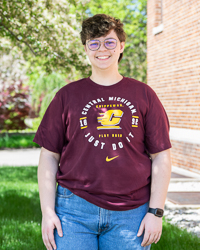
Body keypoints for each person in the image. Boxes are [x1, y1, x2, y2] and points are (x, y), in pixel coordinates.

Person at [33, 14, 172, 250]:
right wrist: (48, 212)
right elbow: (48, 155)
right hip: (74, 210)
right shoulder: (67, 96)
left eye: (109, 41)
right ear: (86, 49)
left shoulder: (144, 95)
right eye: (93, 43)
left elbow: (161, 156)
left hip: (131, 212)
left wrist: (155, 212)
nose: (102, 49)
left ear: (121, 46)